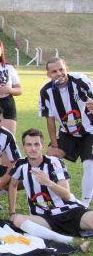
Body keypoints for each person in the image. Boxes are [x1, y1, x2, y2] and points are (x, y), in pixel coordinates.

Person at [8, 128, 90, 252]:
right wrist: (12, 213)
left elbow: (67, 195)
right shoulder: (20, 165)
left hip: (70, 211)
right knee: (18, 220)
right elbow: (12, 186)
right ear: (23, 147)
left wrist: (49, 183)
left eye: (36, 144)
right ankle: (70, 241)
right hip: (44, 216)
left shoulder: (54, 163)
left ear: (43, 146)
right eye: (29, 145)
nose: (33, 148)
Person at [39, 57, 93, 207]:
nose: (59, 73)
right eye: (54, 71)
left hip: (90, 131)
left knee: (90, 166)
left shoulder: (80, 80)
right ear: (48, 74)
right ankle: (59, 198)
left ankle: (84, 204)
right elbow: (49, 120)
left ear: (67, 69)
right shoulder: (46, 91)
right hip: (68, 132)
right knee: (50, 156)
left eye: (61, 69)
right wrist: (55, 144)